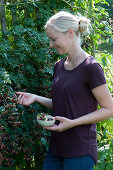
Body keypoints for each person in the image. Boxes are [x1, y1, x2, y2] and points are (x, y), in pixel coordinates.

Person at [16, 11, 113, 170]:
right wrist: (36, 97)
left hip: (80, 152)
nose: (50, 44)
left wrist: (72, 123)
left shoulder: (91, 67)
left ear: (69, 33)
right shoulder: (58, 66)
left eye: (53, 39)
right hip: (57, 148)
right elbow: (66, 106)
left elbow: (109, 109)